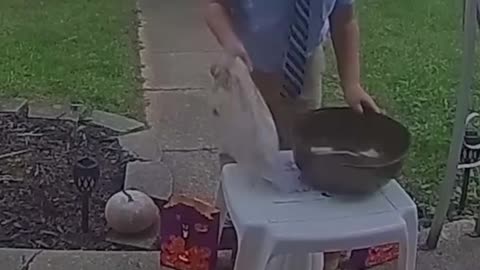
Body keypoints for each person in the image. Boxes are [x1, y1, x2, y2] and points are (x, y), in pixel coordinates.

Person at [205, 0, 380, 150]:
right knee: (242, 148)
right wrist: (229, 40)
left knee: (301, 141)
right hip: (248, 63)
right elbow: (214, 4)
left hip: (304, 65)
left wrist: (352, 84)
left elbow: (344, 20)